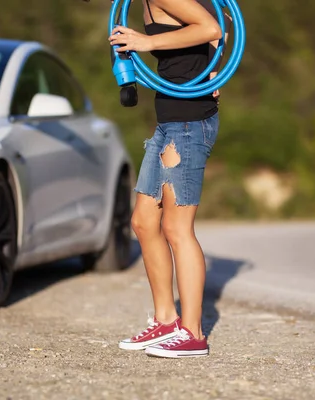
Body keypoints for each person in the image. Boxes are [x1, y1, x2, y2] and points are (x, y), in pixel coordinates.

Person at [109, 0, 230, 358]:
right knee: (144, 222)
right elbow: (217, 20)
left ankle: (193, 334)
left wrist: (147, 43)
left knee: (177, 228)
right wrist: (212, 66)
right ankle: (166, 321)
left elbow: (214, 27)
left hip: (190, 122)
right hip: (169, 121)